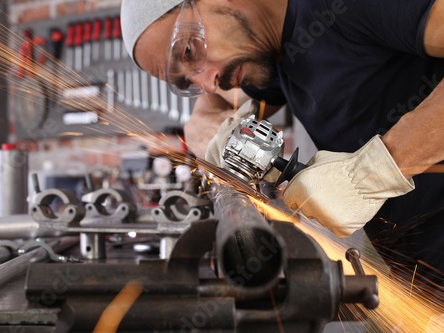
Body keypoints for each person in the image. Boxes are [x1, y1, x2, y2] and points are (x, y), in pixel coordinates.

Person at [121, 0, 444, 300]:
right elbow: (204, 113)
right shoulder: (268, 51)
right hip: (421, 275)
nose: (207, 83)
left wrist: (374, 172)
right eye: (185, 81)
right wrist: (214, 134)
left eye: (189, 51)